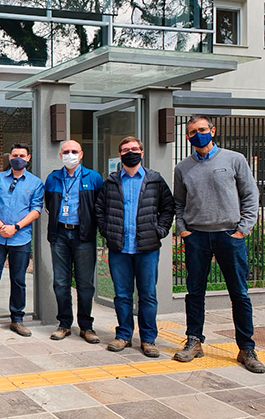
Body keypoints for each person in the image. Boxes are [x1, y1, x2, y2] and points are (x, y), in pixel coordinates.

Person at [173, 115, 264, 373]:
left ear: (213, 131)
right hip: (197, 236)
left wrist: (243, 230)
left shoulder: (234, 159)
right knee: (194, 292)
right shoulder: (183, 168)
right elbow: (179, 203)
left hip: (229, 236)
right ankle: (194, 341)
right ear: (188, 136)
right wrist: (183, 229)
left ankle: (246, 348)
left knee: (240, 294)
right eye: (192, 132)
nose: (197, 134)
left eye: (202, 129)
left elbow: (250, 195)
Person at [95, 136, 174, 357]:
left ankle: (148, 339)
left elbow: (168, 208)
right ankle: (123, 335)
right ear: (119, 155)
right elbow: (99, 210)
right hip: (120, 248)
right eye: (125, 149)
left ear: (142, 152)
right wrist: (106, 231)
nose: (130, 152)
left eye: (134, 148)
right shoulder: (110, 182)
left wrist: (160, 231)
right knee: (122, 295)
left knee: (148, 295)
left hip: (147, 248)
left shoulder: (155, 180)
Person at [0, 143, 44, 338]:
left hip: (20, 239)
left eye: (22, 155)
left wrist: (16, 227)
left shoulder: (35, 183)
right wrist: (1, 225)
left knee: (19, 281)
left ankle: (17, 320)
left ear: (29, 158)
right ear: (9, 157)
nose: (18, 158)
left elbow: (36, 209)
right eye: (14, 155)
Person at [44, 140, 103, 343]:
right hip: (60, 234)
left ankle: (86, 326)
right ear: (60, 155)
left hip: (83, 235)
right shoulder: (53, 178)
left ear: (81, 154)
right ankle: (64, 324)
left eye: (74, 151)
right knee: (61, 283)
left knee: (85, 284)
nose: (70, 154)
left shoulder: (93, 178)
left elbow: (99, 206)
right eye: (66, 152)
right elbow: (49, 205)